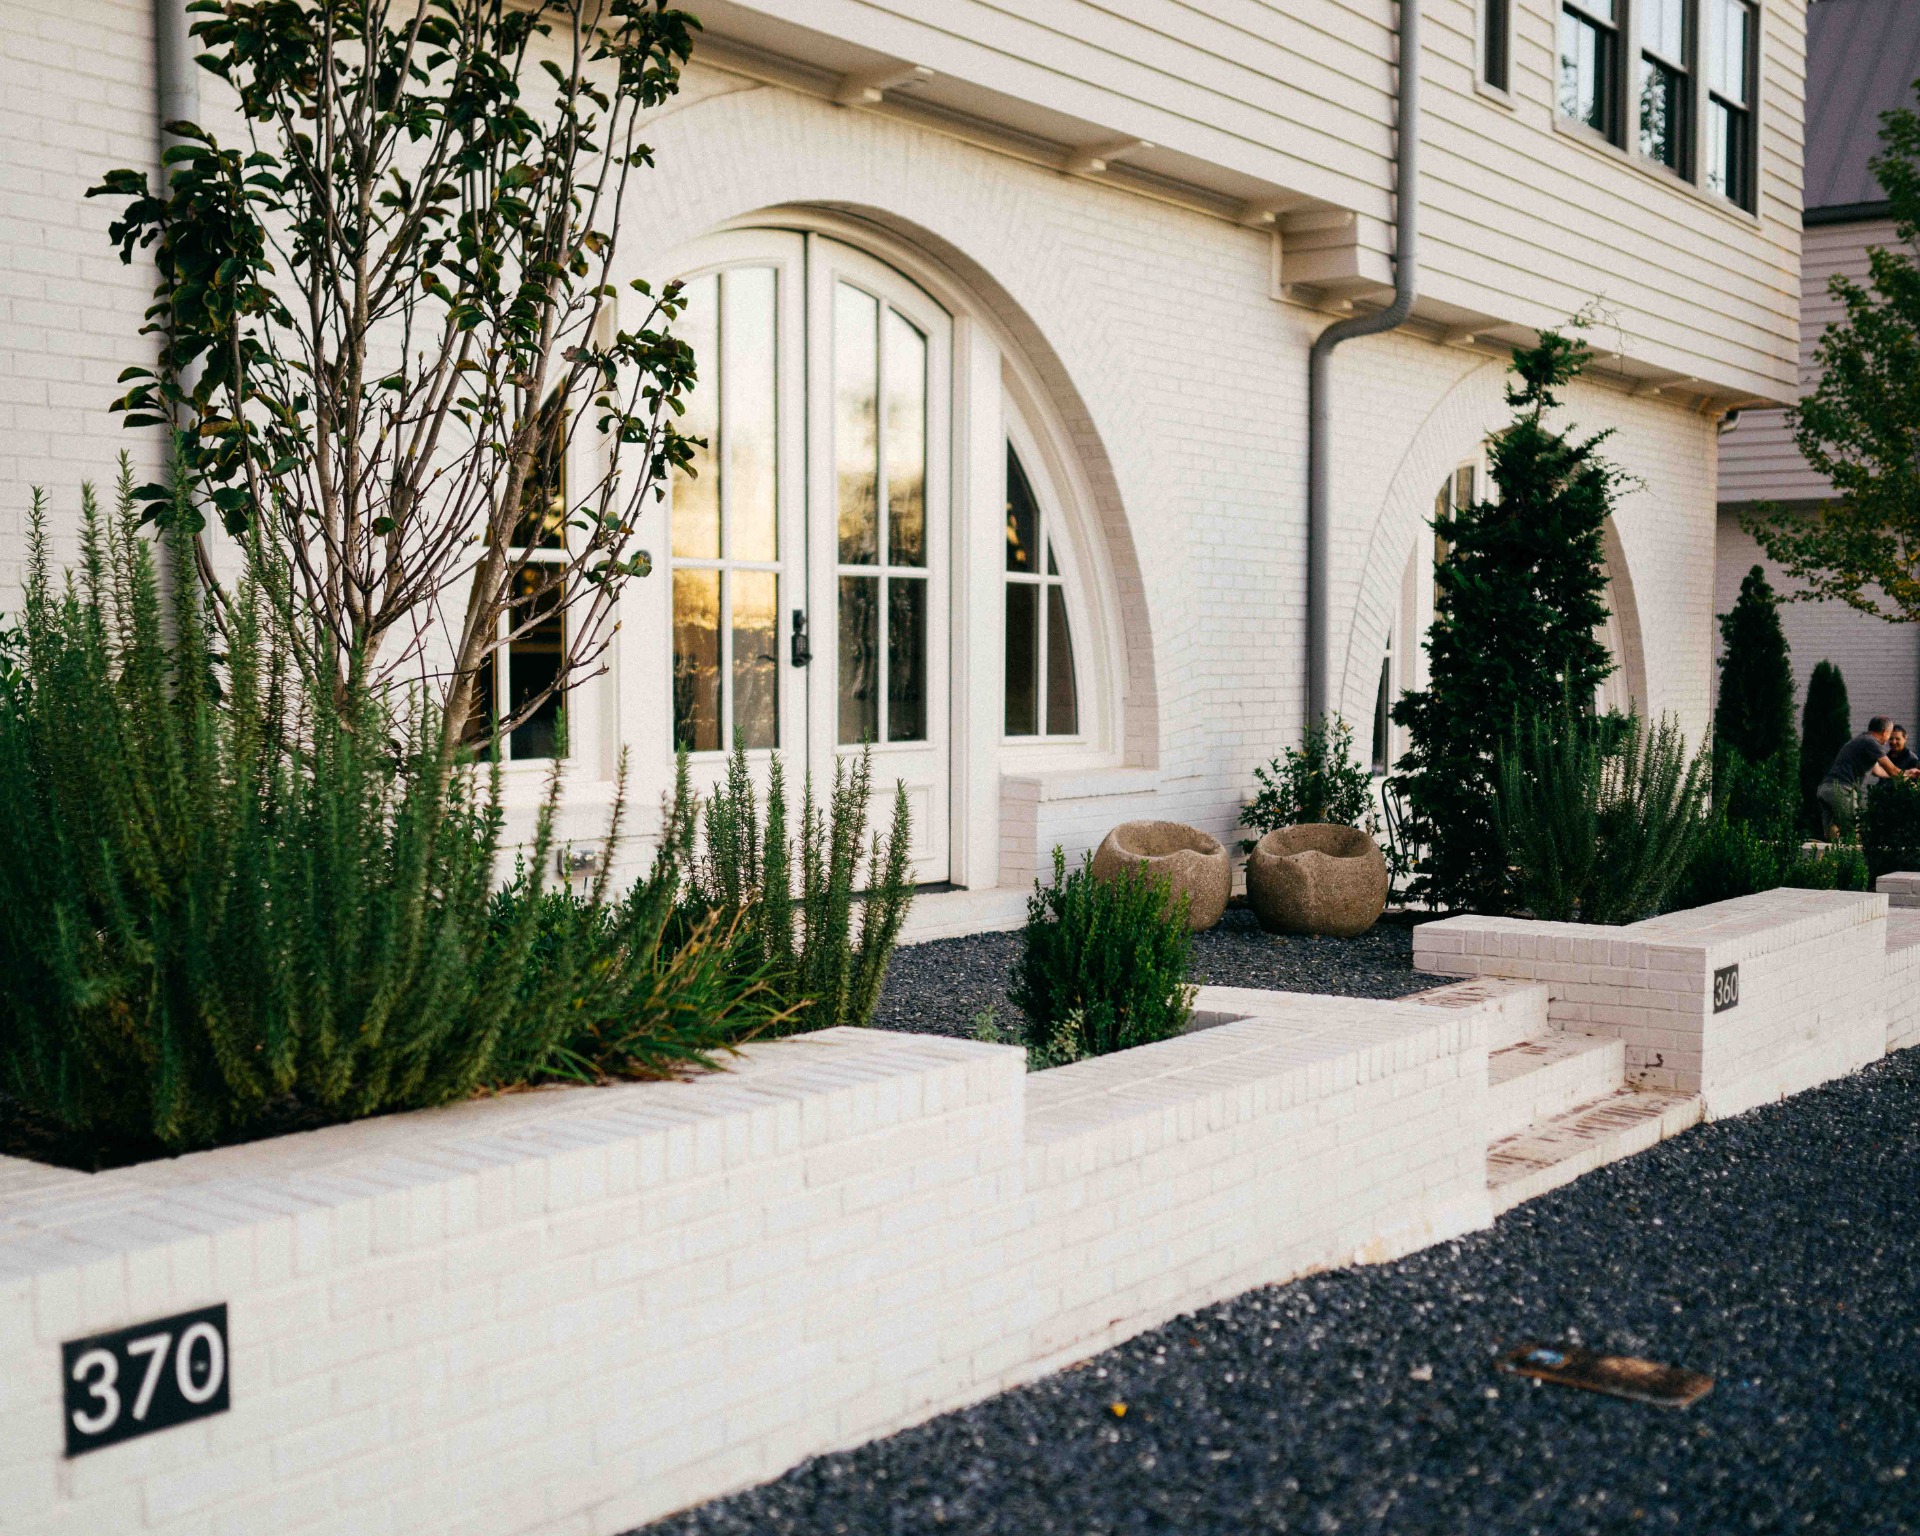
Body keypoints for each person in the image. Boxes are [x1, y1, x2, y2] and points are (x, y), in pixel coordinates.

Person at [1819, 715, 1917, 837]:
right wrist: (1911, 786)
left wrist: (1907, 772)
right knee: (1854, 831)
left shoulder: (1862, 741)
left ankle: (1831, 853)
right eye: (1890, 734)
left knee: (1832, 835)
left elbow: (1878, 771)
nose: (1889, 739)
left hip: (1826, 789)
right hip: (1842, 789)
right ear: (1885, 732)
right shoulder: (1872, 742)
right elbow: (1892, 769)